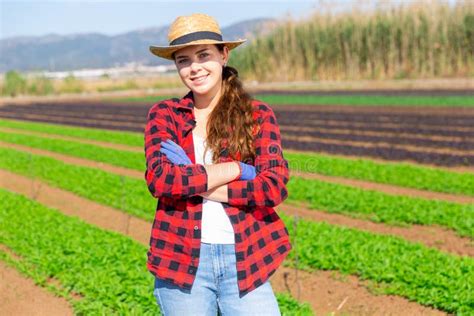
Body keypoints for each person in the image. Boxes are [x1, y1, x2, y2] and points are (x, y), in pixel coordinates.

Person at [144, 13, 292, 316]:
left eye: (203, 55)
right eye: (183, 60)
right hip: (182, 261)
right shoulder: (165, 115)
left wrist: (193, 179)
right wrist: (237, 169)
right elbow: (161, 181)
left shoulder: (257, 115)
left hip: (245, 258)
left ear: (224, 55)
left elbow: (273, 186)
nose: (194, 67)